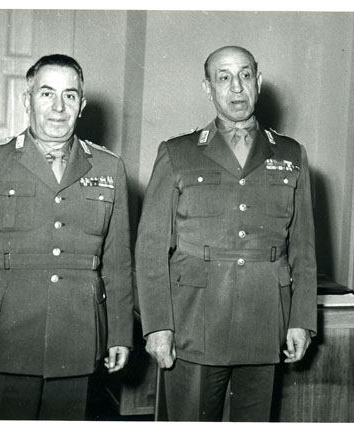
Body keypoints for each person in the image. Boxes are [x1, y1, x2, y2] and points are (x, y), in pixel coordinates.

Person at [0, 54, 134, 420]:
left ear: (81, 105)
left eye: (69, 95)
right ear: (27, 101)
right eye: (46, 94)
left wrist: (120, 332)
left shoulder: (109, 168)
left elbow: (118, 261)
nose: (58, 107)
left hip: (75, 342)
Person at [135, 45, 317, 421]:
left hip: (265, 321)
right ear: (208, 88)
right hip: (194, 323)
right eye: (224, 77)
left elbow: (303, 249)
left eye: (245, 75)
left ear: (258, 82)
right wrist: (157, 325)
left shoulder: (290, 153)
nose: (236, 87)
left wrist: (301, 320)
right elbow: (150, 249)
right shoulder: (178, 153)